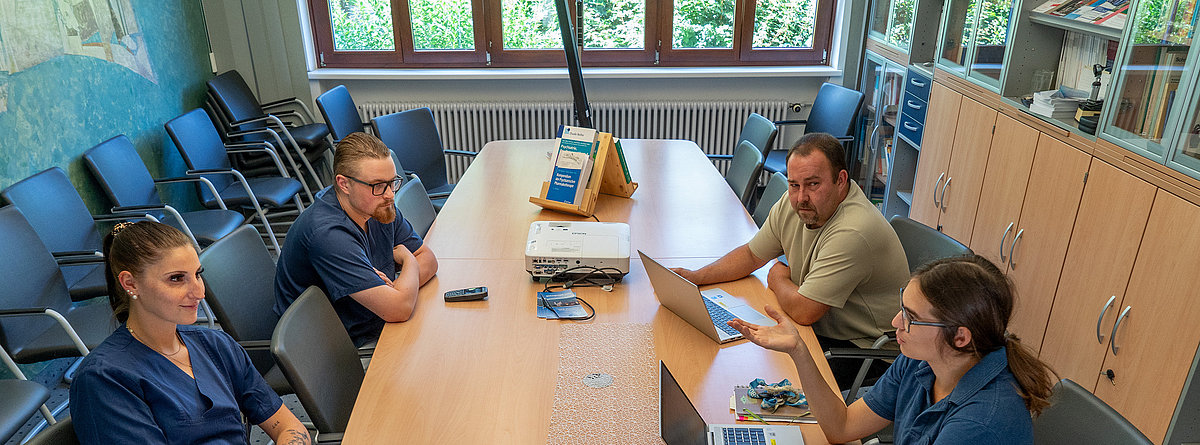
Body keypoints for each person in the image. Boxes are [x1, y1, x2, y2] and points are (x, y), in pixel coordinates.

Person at [729, 255, 1057, 444]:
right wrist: (798, 350)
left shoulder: (980, 424)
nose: (895, 321)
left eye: (912, 318)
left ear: (960, 337)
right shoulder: (922, 362)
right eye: (903, 307)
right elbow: (842, 427)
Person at [673, 132, 909, 387]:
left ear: (841, 180)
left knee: (758, 378)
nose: (801, 197)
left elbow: (805, 311)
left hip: (864, 348)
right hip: (822, 327)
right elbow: (752, 254)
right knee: (733, 356)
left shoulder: (854, 230)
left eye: (813, 184)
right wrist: (696, 277)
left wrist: (776, 278)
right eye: (794, 184)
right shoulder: (795, 202)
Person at [71, 221, 310, 444]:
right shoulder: (104, 378)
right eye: (176, 279)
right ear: (130, 283)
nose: (199, 292)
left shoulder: (215, 344)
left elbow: (288, 425)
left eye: (197, 274)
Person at [274, 131, 438, 347]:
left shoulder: (377, 205)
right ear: (344, 184)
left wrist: (398, 289)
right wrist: (408, 261)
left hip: (375, 322)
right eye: (378, 185)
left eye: (392, 182)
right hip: (337, 350)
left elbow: (428, 259)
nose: (390, 194)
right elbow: (399, 309)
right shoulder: (328, 234)